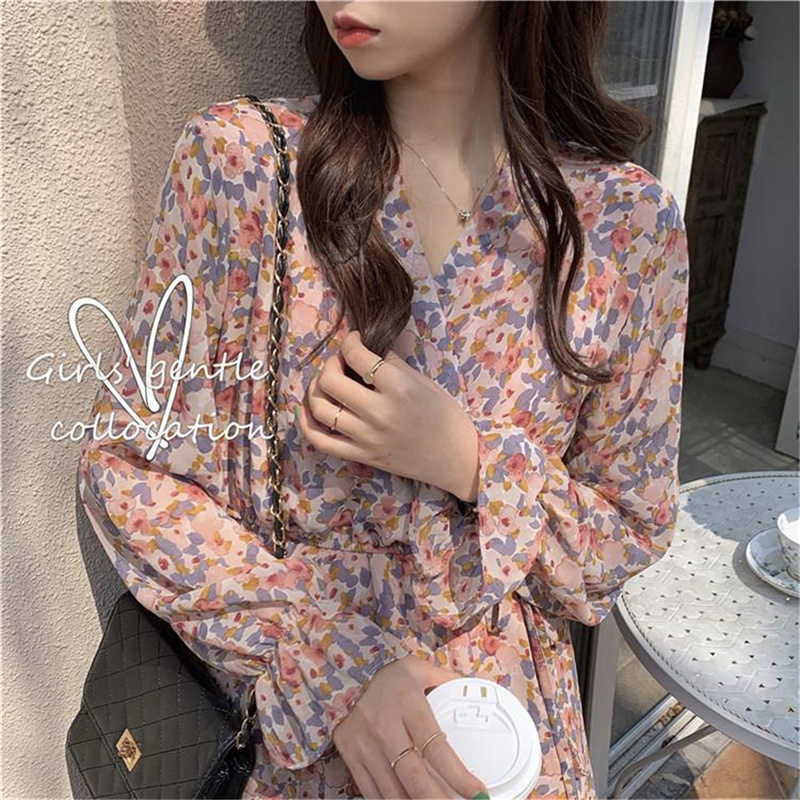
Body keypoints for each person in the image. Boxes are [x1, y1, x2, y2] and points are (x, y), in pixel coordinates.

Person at [77, 2, 690, 798]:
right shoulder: (245, 167)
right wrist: (326, 661)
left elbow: (626, 533)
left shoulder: (623, 225)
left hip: (503, 746)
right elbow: (127, 467)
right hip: (288, 746)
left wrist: (473, 463)